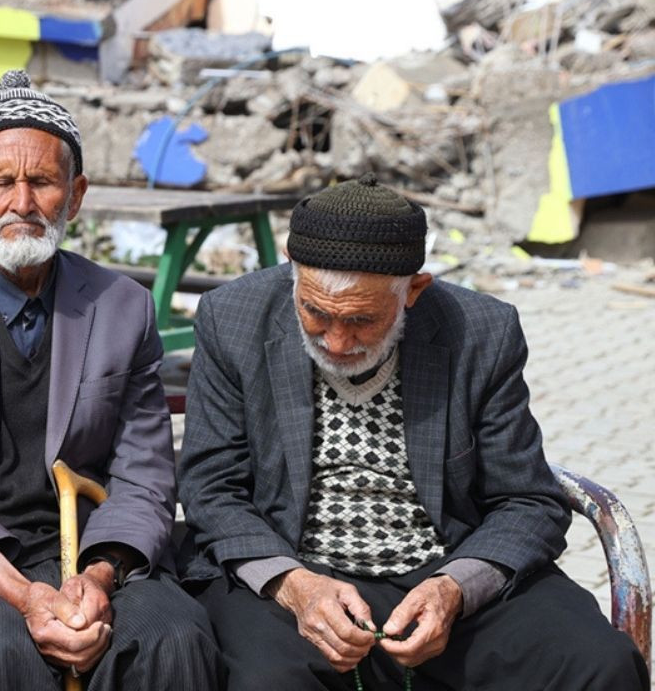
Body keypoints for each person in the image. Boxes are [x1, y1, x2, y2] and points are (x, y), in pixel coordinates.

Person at [178, 173, 649, 689]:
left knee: (599, 664)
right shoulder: (232, 319)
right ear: (291, 268)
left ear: (413, 292)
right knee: (268, 681)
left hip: (442, 567)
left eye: (362, 320)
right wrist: (296, 586)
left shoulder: (482, 332)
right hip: (295, 573)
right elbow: (212, 486)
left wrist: (455, 588)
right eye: (314, 312)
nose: (335, 341)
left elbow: (527, 500)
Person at [0, 69, 221, 691]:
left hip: (92, 549)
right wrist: (26, 594)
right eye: (2, 182)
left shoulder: (123, 306)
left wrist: (96, 579)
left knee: (173, 635)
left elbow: (144, 472)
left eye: (43, 181)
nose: (22, 204)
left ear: (77, 193)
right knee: (1, 654)